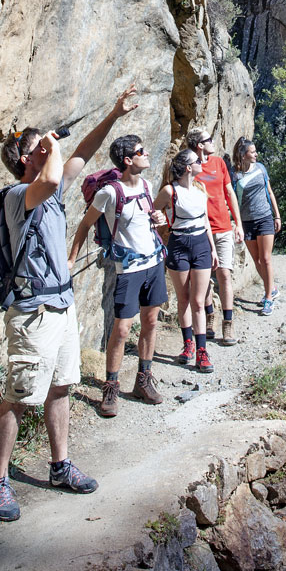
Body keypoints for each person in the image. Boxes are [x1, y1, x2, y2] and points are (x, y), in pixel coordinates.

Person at [0, 86, 138, 522]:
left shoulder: (50, 193)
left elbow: (83, 154)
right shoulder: (19, 196)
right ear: (24, 159)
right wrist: (48, 147)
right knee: (19, 397)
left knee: (61, 387)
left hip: (61, 304)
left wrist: (113, 114)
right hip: (33, 312)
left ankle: (60, 465)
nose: (50, 151)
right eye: (39, 148)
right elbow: (51, 177)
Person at [68, 135, 168, 418]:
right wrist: (72, 258)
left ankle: (143, 381)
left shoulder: (146, 186)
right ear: (127, 160)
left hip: (153, 262)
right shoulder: (109, 193)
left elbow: (147, 217)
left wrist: (158, 219)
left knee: (150, 322)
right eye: (140, 151)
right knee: (122, 329)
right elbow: (85, 224)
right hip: (129, 268)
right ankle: (110, 387)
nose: (146, 154)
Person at [154, 150, 218, 372]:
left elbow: (205, 220)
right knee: (183, 299)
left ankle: (201, 351)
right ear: (188, 167)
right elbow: (152, 210)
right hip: (179, 243)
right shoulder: (170, 191)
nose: (202, 162)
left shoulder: (200, 188)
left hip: (200, 244)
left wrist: (212, 249)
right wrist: (158, 219)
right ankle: (188, 343)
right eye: (197, 161)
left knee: (198, 302)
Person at [187, 127, 244, 344]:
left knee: (224, 275)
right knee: (204, 279)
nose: (213, 142)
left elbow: (229, 192)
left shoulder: (219, 163)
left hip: (222, 227)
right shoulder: (189, 166)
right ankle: (209, 315)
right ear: (199, 145)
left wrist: (238, 224)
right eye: (208, 139)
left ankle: (228, 324)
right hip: (200, 229)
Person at [232, 137, 281, 315]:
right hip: (246, 222)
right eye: (252, 152)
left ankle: (268, 297)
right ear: (243, 155)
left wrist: (277, 215)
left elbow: (270, 191)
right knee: (257, 260)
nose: (256, 154)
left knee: (266, 259)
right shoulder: (235, 175)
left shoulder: (260, 168)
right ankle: (272, 288)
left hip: (265, 218)